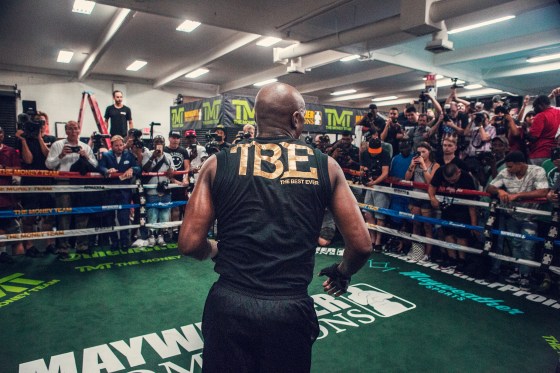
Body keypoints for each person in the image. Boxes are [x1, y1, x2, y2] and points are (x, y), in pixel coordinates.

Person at [178, 82, 372, 373]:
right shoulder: (326, 166)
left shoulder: (217, 163)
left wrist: (217, 250)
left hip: (229, 304)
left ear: (257, 118)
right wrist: (342, 272)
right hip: (288, 309)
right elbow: (361, 245)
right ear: (295, 119)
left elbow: (190, 243)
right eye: (303, 117)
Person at [487, 151, 549, 289]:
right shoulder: (505, 172)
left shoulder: (537, 170)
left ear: (520, 164)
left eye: (510, 167)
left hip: (530, 216)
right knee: (516, 244)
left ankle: (525, 275)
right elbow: (490, 187)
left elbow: (543, 191)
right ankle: (517, 271)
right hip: (512, 215)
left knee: (528, 246)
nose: (508, 169)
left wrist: (518, 195)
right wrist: (499, 191)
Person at [45, 121, 98, 259]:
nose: (73, 131)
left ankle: (82, 246)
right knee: (64, 216)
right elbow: (49, 165)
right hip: (63, 182)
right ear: (66, 130)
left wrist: (86, 156)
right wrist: (61, 155)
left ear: (79, 130)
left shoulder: (85, 146)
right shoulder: (58, 145)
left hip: (81, 183)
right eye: (70, 128)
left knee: (82, 214)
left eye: (75, 128)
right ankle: (63, 248)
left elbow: (95, 165)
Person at [15, 113, 57, 256]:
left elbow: (49, 158)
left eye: (43, 122)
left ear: (47, 123)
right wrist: (23, 140)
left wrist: (39, 138)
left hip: (47, 182)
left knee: (49, 216)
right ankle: (29, 245)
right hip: (30, 183)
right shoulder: (24, 139)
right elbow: (28, 160)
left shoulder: (51, 139)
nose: (40, 124)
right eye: (37, 122)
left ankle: (49, 244)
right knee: (29, 217)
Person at [428, 163, 477, 273]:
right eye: (448, 181)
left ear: (458, 172)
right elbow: (432, 185)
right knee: (447, 233)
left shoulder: (467, 179)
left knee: (461, 235)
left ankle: (462, 260)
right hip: (447, 206)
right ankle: (452, 258)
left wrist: (474, 224)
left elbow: (472, 204)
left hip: (462, 210)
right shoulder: (440, 171)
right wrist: (432, 198)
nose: (451, 183)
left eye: (453, 181)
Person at [98, 135, 141, 250]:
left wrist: (132, 169)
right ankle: (114, 242)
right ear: (111, 146)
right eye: (116, 145)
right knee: (109, 218)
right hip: (110, 191)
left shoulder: (129, 155)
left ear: (124, 145)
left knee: (124, 218)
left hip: (124, 192)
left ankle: (125, 241)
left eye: (121, 145)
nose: (119, 147)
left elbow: (138, 168)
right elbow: (100, 167)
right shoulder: (106, 155)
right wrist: (107, 171)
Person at [405, 142, 440, 261]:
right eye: (419, 152)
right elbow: (407, 178)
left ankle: (427, 253)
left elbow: (431, 182)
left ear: (429, 152)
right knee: (416, 224)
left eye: (423, 152)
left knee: (427, 226)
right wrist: (411, 166)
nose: (421, 154)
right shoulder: (415, 163)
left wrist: (424, 166)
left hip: (427, 197)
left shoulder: (435, 165)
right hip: (415, 196)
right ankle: (417, 251)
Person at [141, 135, 174, 247]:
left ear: (164, 144)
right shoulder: (148, 154)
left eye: (161, 141)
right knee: (152, 214)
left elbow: (172, 171)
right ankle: (151, 236)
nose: (159, 143)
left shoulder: (168, 156)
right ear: (153, 143)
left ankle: (161, 236)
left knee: (164, 215)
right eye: (157, 141)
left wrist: (171, 170)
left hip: (165, 189)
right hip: (152, 190)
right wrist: (153, 157)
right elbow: (145, 169)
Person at [360, 128, 391, 253]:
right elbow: (362, 168)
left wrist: (374, 182)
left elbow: (385, 173)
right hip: (369, 186)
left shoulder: (384, 153)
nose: (373, 154)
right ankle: (371, 239)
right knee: (368, 213)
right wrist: (364, 175)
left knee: (380, 215)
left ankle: (378, 241)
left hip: (381, 186)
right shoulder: (364, 153)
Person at [0, 127, 21, 264]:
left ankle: (3, 253)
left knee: (10, 227)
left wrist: (3, 169)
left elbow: (17, 171)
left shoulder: (10, 151)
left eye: (0, 132)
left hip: (6, 197)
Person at [165, 130, 190, 239]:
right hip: (167, 182)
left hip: (180, 183)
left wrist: (185, 178)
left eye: (177, 138)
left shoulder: (183, 151)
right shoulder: (164, 150)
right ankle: (164, 230)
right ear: (169, 138)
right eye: (173, 137)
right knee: (165, 208)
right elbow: (164, 170)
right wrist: (174, 181)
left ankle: (175, 229)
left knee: (176, 207)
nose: (175, 140)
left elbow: (187, 167)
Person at [527, 95, 560, 166]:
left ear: (541, 105)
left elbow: (533, 138)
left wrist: (525, 131)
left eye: (535, 106)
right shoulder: (558, 113)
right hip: (553, 154)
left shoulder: (540, 116)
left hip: (539, 153)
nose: (534, 109)